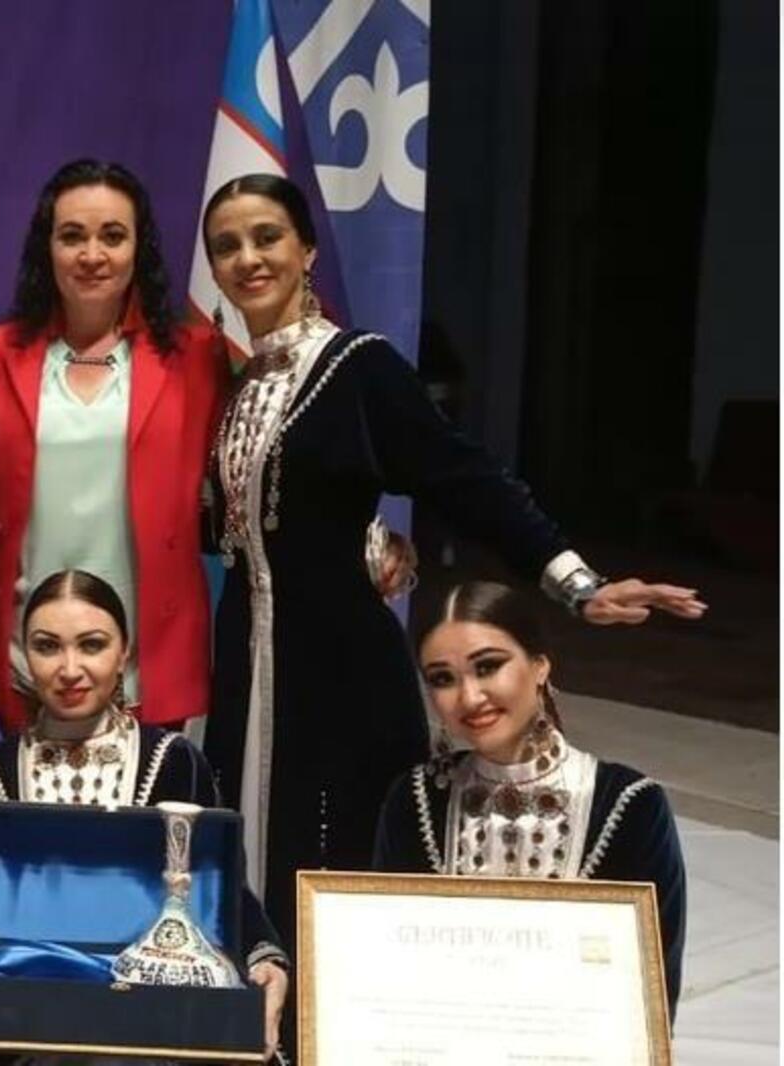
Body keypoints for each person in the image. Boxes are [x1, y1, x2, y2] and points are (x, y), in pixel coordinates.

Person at [198, 172, 706, 951]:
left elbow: (461, 476)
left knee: (337, 865)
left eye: (267, 237)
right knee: (243, 854)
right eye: (227, 246)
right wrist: (366, 536)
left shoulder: (357, 366)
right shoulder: (239, 387)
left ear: (307, 249)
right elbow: (249, 520)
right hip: (247, 659)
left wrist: (576, 582)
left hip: (337, 665)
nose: (248, 258)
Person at [0, 570, 289, 1061]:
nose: (70, 669)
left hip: (156, 1023)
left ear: (124, 652)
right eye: (47, 646)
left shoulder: (174, 759)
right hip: (32, 1022)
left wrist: (267, 958)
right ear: (23, 654)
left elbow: (221, 894)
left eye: (92, 645)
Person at [0, 159, 226, 737]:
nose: (92, 254)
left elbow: (261, 455)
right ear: (47, 248)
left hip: (150, 656)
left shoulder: (195, 357)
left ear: (139, 249)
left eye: (112, 236)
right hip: (28, 655)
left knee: (147, 800)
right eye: (72, 236)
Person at [374, 580, 687, 1019]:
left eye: (488, 667)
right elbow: (389, 969)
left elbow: (651, 995)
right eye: (443, 679)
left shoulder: (630, 804)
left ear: (539, 665)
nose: (469, 697)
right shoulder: (415, 799)